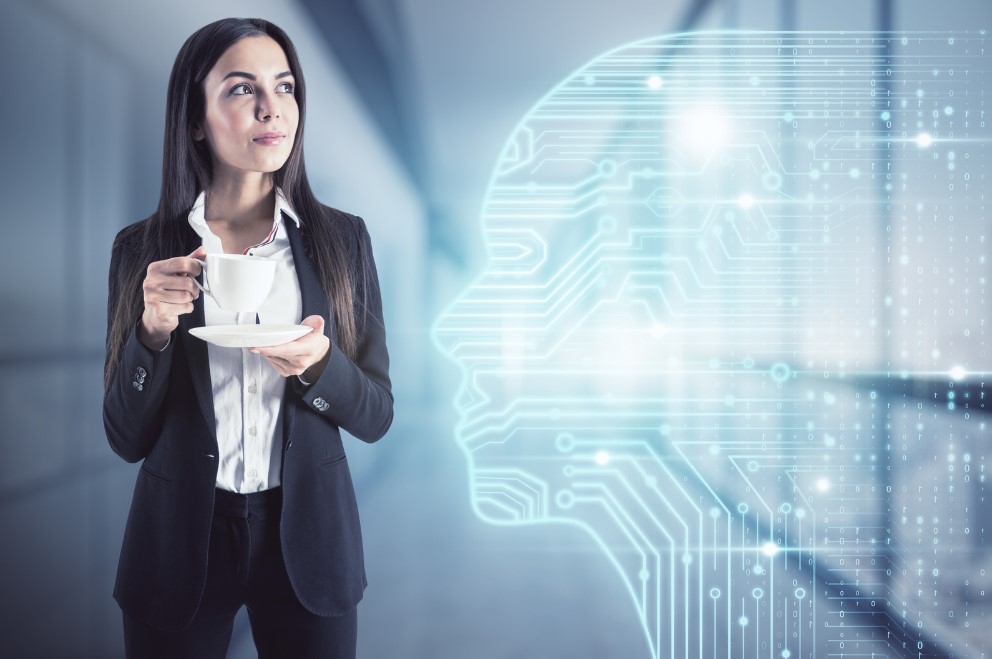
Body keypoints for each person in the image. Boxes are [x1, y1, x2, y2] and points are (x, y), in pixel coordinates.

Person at [102, 17, 393, 659]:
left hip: (309, 538)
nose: (272, 108)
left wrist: (320, 365)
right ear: (195, 119)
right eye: (241, 88)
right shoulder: (143, 251)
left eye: (285, 86)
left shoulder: (341, 242)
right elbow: (125, 438)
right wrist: (151, 331)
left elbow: (376, 415)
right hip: (180, 541)